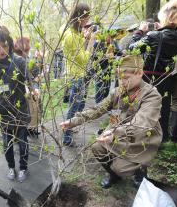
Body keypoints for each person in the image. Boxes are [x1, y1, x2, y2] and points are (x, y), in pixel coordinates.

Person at [60, 55, 162, 188]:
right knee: (97, 148)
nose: (122, 82)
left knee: (121, 168)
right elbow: (98, 109)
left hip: (139, 138)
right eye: (119, 78)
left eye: (126, 78)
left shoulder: (151, 95)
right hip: (116, 133)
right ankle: (114, 175)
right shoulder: (118, 92)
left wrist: (115, 133)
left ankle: (140, 169)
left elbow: (141, 124)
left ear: (140, 73)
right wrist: (73, 121)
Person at [129, 0, 177, 142]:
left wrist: (140, 32)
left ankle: (139, 135)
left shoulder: (154, 35)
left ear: (166, 17)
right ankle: (160, 138)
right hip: (167, 77)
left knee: (144, 105)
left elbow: (133, 49)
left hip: (149, 77)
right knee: (163, 107)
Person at [0, 26, 35, 182]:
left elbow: (30, 80)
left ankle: (24, 167)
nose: (1, 50)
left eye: (5, 45)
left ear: (10, 44)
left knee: (22, 142)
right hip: (3, 111)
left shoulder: (19, 61)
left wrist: (34, 90)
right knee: (7, 143)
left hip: (19, 109)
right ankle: (11, 167)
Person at [61, 2, 95, 146]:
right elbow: (83, 59)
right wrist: (91, 42)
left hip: (75, 75)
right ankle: (66, 137)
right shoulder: (71, 35)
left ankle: (70, 128)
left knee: (77, 106)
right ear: (79, 17)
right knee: (74, 107)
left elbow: (78, 48)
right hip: (76, 76)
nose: (87, 21)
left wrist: (85, 38)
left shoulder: (73, 32)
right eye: (86, 17)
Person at [13, 36, 41, 137]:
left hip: (31, 89)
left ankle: (32, 128)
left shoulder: (29, 60)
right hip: (18, 91)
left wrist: (35, 87)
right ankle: (18, 133)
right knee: (20, 112)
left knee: (34, 108)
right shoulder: (14, 61)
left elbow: (35, 75)